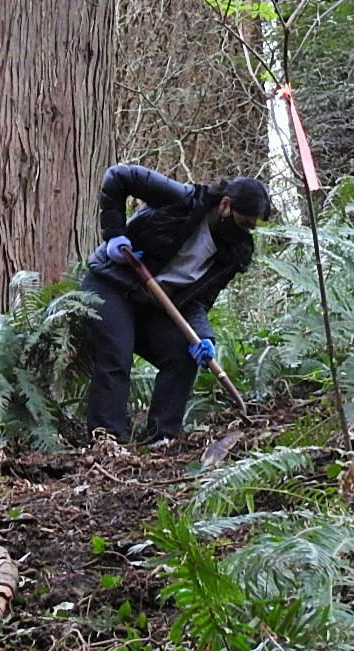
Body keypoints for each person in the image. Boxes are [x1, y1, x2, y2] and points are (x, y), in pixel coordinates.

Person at [80, 165, 271, 443]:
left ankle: (162, 438)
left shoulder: (234, 253)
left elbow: (199, 301)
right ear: (225, 205)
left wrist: (203, 337)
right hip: (113, 284)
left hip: (152, 305)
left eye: (251, 228)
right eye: (243, 223)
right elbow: (118, 177)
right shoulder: (182, 200)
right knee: (116, 354)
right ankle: (106, 440)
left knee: (183, 355)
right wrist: (115, 235)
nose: (245, 232)